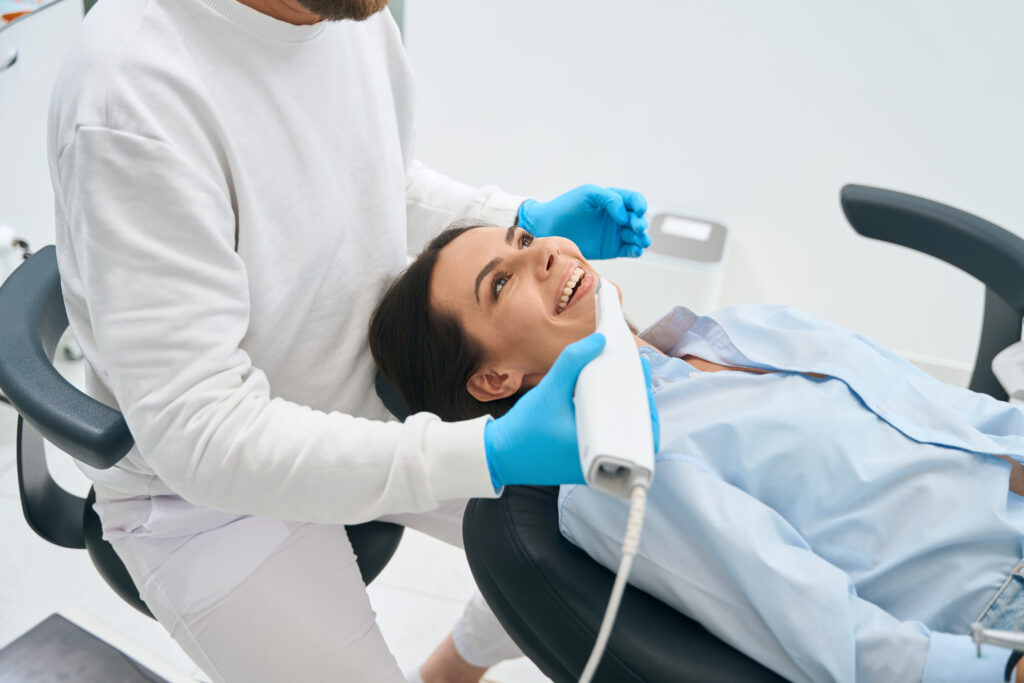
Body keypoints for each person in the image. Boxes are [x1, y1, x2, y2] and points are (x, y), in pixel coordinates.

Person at [46, 0, 657, 681]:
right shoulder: (131, 95)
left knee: (636, 542)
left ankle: (458, 660)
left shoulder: (347, 10)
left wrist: (510, 217)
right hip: (201, 495)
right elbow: (201, 432)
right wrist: (482, 451)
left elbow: (380, 177)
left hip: (373, 397)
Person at [368, 220, 1024, 683]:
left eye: (527, 239)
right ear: (494, 379)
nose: (541, 255)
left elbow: (948, 416)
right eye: (499, 284)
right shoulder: (628, 468)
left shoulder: (737, 327)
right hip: (998, 611)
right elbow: (831, 637)